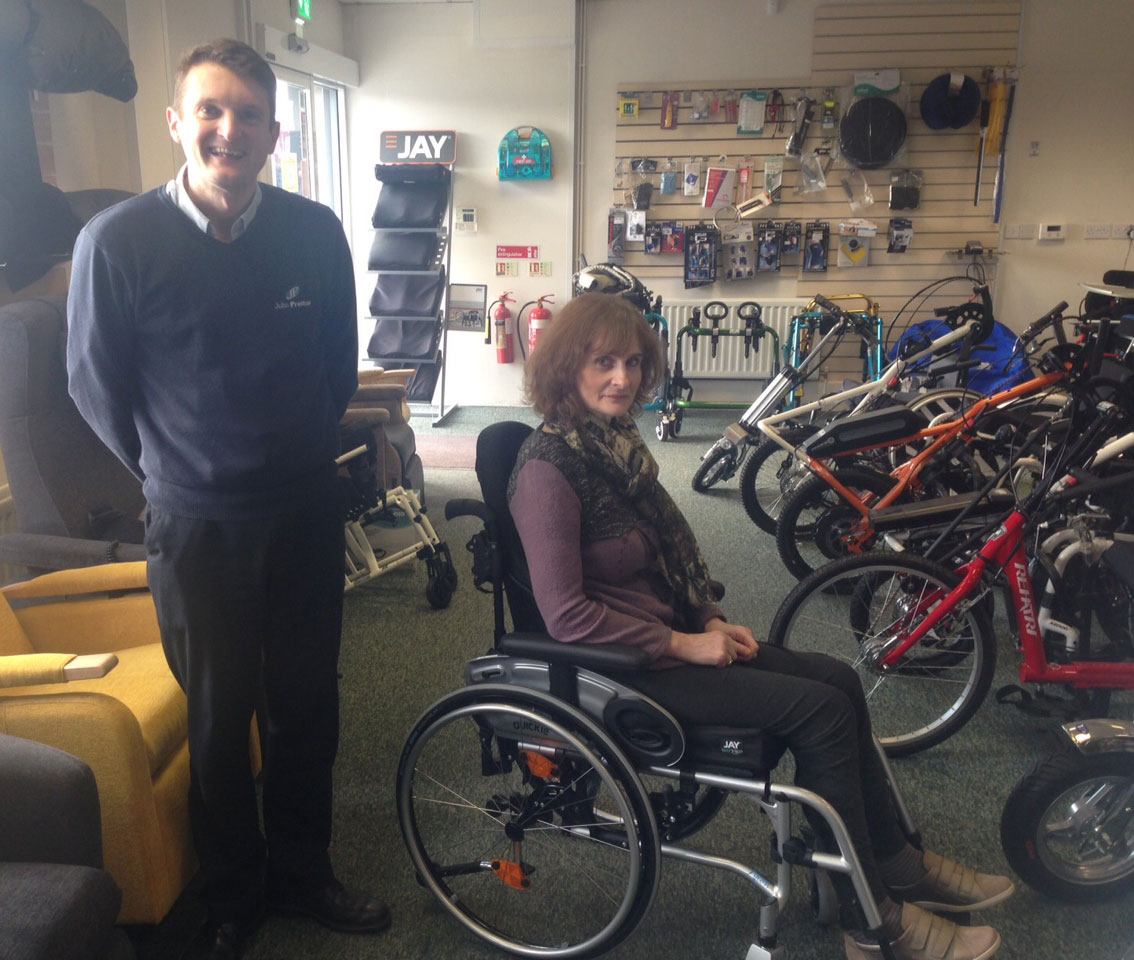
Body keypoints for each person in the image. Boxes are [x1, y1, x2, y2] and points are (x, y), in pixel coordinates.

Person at [508, 292, 1014, 960]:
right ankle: (872, 921)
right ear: (568, 366)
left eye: (633, 362)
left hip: (664, 643)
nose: (622, 379)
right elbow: (567, 616)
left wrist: (709, 618)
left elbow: (666, 556)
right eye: (604, 362)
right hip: (619, 669)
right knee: (820, 714)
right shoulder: (549, 469)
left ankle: (892, 861)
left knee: (838, 681)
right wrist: (686, 642)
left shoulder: (614, 447)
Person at [66, 38, 388, 960]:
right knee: (216, 719)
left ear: (275, 133)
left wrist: (285, 455)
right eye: (210, 110)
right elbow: (95, 387)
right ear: (177, 122)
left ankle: (303, 872)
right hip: (194, 524)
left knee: (304, 706)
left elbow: (335, 366)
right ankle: (234, 892)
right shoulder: (116, 242)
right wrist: (175, 468)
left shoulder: (313, 230)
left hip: (302, 510)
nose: (228, 129)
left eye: (248, 114)